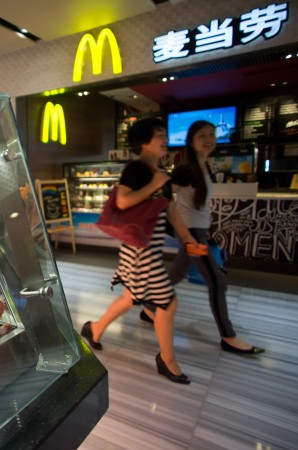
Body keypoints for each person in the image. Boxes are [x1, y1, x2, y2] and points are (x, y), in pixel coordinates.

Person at [81, 117, 199, 384]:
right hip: (139, 251)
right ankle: (167, 360)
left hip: (148, 248)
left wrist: (187, 237)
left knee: (130, 298)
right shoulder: (137, 169)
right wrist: (156, 183)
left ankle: (95, 329)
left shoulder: (160, 173)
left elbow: (169, 209)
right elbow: (122, 202)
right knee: (168, 303)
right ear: (143, 143)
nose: (165, 139)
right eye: (160, 135)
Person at [141, 120, 264, 354]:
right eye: (202, 136)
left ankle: (148, 304)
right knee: (217, 281)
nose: (209, 139)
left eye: (212, 134)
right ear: (191, 141)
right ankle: (228, 337)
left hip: (196, 231)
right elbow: (165, 194)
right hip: (190, 233)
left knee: (176, 273)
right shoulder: (187, 168)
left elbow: (198, 205)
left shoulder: (202, 165)